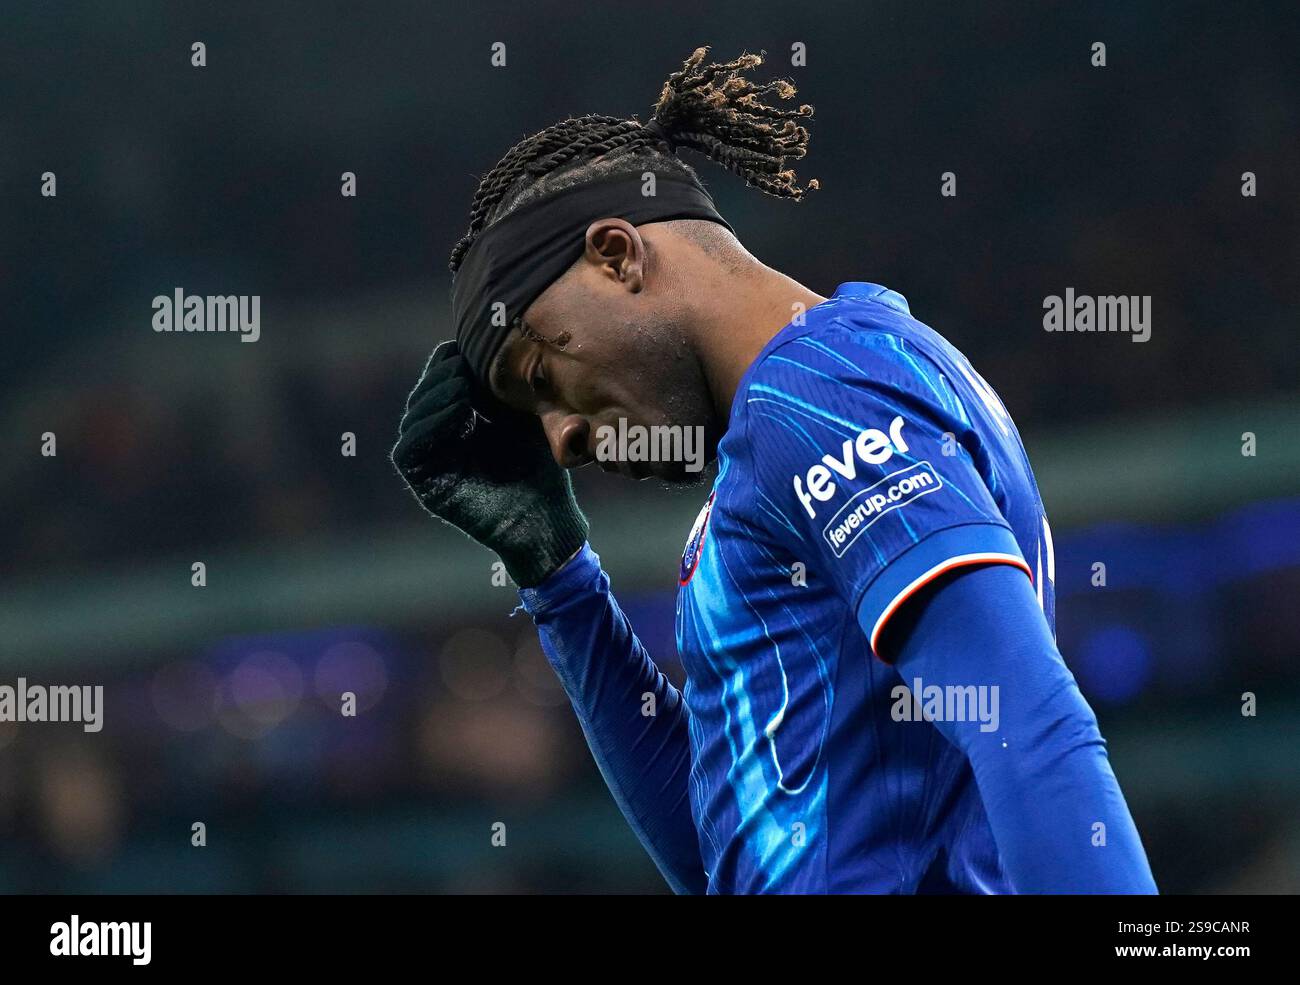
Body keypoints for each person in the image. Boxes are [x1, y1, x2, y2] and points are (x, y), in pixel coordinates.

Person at [393, 47, 1157, 894]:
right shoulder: (786, 429)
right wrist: (560, 580)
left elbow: (1026, 719)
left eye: (542, 377)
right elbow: (726, 854)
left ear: (618, 256)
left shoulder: (820, 391)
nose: (563, 437)